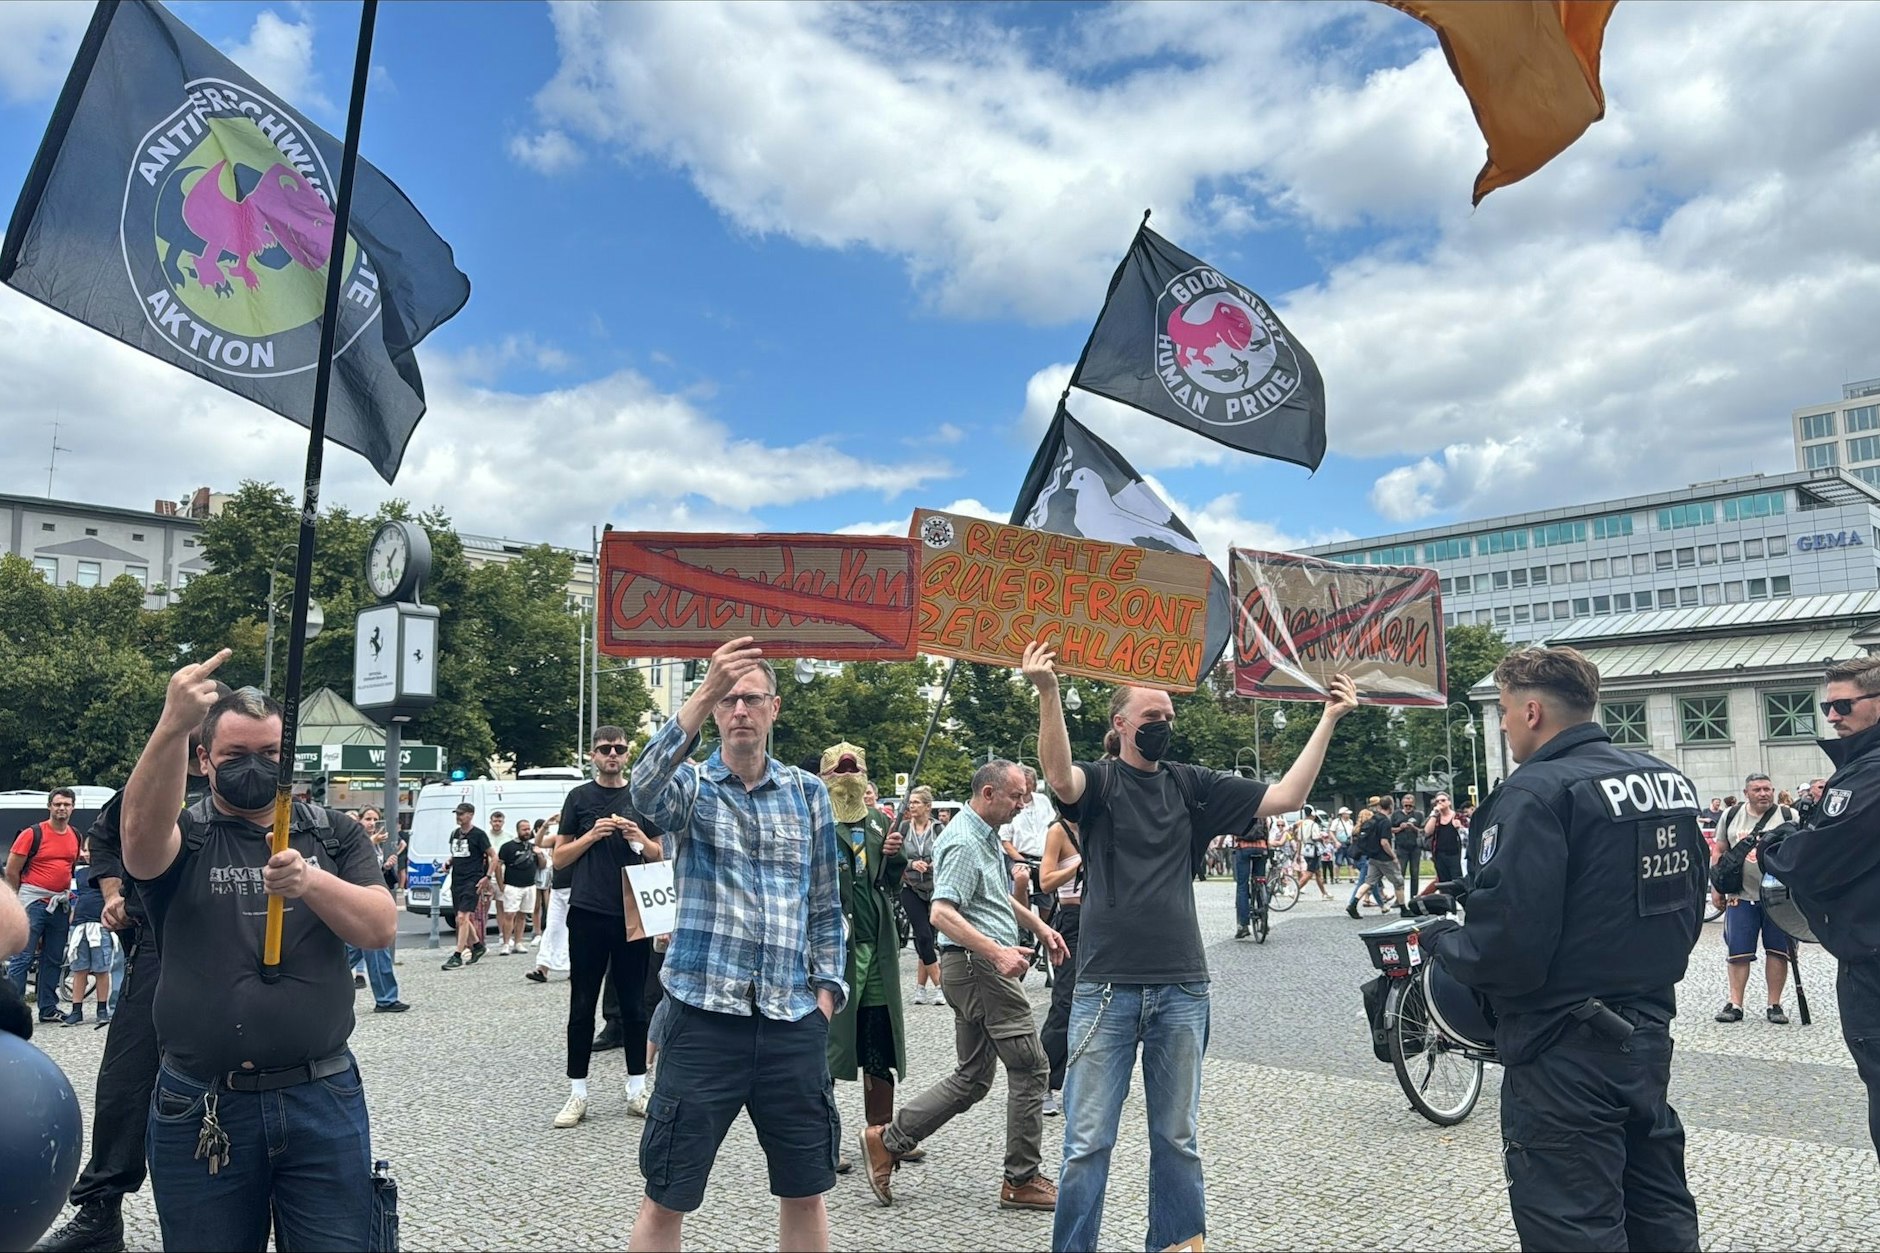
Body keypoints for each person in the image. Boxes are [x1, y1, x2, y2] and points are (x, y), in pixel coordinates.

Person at [1024, 642, 1357, 1253]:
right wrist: (1048, 692)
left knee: (1177, 1138)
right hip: (1105, 988)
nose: (1164, 728)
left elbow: (1285, 797)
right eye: (1152, 719)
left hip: (1182, 986)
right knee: (1086, 1141)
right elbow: (1058, 775)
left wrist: (1328, 718)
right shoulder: (1098, 785)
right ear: (1120, 725)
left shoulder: (1191, 786)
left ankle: (1177, 1246)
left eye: (1170, 718)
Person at [1427, 647, 1705, 1251]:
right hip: (1648, 1024)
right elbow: (1686, 900)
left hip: (1562, 1041)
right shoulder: (1668, 781)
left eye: (1502, 711)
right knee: (1657, 1204)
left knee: (1570, 1218)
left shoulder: (1536, 792)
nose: (1500, 724)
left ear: (1531, 711)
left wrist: (1446, 943)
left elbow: (1510, 947)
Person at [119, 662, 395, 1251]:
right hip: (203, 1099)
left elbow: (378, 927)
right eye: (236, 752)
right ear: (204, 761)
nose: (255, 765)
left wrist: (310, 883)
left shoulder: (333, 834)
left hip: (323, 1094)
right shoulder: (187, 836)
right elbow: (140, 839)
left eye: (270, 752)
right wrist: (173, 724)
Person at [626, 637, 847, 1252]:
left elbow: (826, 906)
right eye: (728, 699)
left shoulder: (809, 794)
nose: (740, 709)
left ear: (774, 708)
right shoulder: (691, 788)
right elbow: (642, 791)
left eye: (751, 698)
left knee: (805, 1189)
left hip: (790, 1021)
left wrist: (825, 995)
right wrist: (701, 691)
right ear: (716, 712)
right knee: (667, 1192)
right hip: (702, 1021)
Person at [35, 709, 223, 1253]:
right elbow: (105, 835)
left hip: (229, 945)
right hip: (158, 947)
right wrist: (115, 893)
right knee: (125, 1076)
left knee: (238, 1075)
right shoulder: (155, 780)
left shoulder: (238, 795)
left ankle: (240, 1201)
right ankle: (101, 1211)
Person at [858, 760, 1066, 1213]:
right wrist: (998, 952)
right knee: (1031, 1068)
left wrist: (1038, 927)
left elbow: (996, 895)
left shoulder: (984, 834)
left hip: (973, 967)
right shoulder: (964, 840)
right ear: (988, 794)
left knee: (972, 1078)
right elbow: (941, 913)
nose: (1022, 803)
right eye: (1015, 795)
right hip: (979, 969)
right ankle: (1021, 1179)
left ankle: (888, 1141)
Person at [1762, 656, 1880, 1157]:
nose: (1831, 716)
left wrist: (1771, 846)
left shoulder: (1868, 775)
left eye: (1843, 705)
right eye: (1827, 706)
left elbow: (1816, 861)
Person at [552, 727, 664, 1129]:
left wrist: (638, 836)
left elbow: (659, 855)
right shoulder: (578, 798)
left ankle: (637, 1088)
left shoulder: (640, 797)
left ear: (627, 754)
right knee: (581, 1005)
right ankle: (577, 1092)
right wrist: (591, 835)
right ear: (593, 755)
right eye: (605, 749)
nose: (612, 755)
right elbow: (559, 858)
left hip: (632, 912)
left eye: (619, 749)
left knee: (635, 1006)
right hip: (587, 910)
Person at [818, 742, 912, 1175]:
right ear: (825, 777)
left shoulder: (877, 821)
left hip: (877, 951)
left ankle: (884, 1139)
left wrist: (895, 857)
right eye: (840, 770)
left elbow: (888, 882)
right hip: (834, 952)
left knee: (878, 1043)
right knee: (828, 1051)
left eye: (854, 770)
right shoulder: (815, 821)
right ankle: (824, 1143)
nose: (848, 777)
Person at [1709, 774, 1797, 1025]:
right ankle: (1735, 1003)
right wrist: (1716, 887)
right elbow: (1720, 851)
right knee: (1738, 952)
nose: (1763, 793)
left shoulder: (1789, 816)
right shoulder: (1731, 815)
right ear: (1746, 792)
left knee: (1778, 952)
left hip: (1780, 898)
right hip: (1740, 895)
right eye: (1757, 789)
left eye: (1768, 789)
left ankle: (1774, 1004)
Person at [7, 788, 81, 1024]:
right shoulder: (33, 834)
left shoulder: (75, 836)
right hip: (33, 901)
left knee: (54, 957)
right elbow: (12, 869)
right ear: (49, 806)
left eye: (67, 804)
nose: (62, 808)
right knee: (22, 956)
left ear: (73, 807)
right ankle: (14, 1009)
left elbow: (70, 869)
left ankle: (48, 1007)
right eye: (58, 804)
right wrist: (16, 901)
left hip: (59, 902)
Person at [1037, 815, 1084, 1118]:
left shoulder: (1100, 823)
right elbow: (1045, 880)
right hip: (1073, 919)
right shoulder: (1059, 830)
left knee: (1104, 1002)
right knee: (1065, 1002)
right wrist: (1078, 865)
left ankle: (1087, 1082)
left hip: (1106, 920)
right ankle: (1041, 1081)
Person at [896, 788, 946, 1008]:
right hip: (910, 886)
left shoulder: (938, 829)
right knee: (923, 935)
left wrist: (935, 864)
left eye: (916, 802)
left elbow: (946, 852)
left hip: (934, 887)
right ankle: (940, 986)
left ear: (928, 806)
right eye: (910, 803)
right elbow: (895, 855)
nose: (912, 806)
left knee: (928, 939)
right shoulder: (904, 828)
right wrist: (910, 863)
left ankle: (920, 988)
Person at [62, 843, 112, 1027]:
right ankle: (76, 1010)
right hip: (80, 924)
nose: (89, 853)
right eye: (87, 849)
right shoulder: (80, 873)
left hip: (99, 924)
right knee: (79, 968)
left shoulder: (108, 870)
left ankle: (102, 1008)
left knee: (101, 968)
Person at [442, 803, 495, 970]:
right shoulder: (455, 834)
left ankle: (457, 955)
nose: (459, 817)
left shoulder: (479, 835)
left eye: (462, 814)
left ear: (471, 815)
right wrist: (449, 862)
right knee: (461, 917)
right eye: (457, 814)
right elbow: (456, 854)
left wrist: (487, 877)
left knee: (462, 917)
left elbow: (494, 856)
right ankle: (478, 946)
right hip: (457, 879)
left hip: (473, 879)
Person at [527, 815, 572, 985]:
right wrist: (545, 826)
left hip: (576, 887)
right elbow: (537, 843)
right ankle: (542, 967)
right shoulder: (557, 838)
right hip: (558, 887)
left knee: (574, 930)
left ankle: (574, 966)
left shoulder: (580, 837)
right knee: (552, 927)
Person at [1348, 799, 1402, 918]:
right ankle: (1404, 908)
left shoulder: (1372, 820)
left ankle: (1353, 905)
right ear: (1391, 806)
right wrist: (1393, 856)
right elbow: (1384, 842)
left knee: (1369, 882)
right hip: (1383, 857)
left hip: (1371, 856)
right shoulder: (1385, 821)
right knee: (1398, 882)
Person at [496, 818, 542, 957]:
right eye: (524, 829)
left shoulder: (533, 846)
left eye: (528, 829)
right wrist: (501, 884)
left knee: (522, 915)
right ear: (518, 830)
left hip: (529, 885)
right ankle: (505, 943)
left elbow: (543, 865)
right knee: (509, 914)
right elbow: (498, 865)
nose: (527, 832)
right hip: (512, 885)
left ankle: (518, 942)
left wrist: (539, 853)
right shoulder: (507, 847)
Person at [1230, 818, 1269, 939]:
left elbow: (1233, 831)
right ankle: (1264, 920)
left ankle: (1243, 924)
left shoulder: (1240, 810)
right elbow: (1266, 830)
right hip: (1261, 847)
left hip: (1243, 847)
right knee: (1260, 879)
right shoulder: (1262, 811)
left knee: (1242, 885)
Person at [1424, 792, 1465, 887]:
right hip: (1440, 855)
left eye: (1443, 800)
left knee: (1457, 881)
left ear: (1449, 802)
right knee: (1443, 882)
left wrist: (1460, 827)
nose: (1440, 803)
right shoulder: (1436, 818)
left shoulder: (1457, 816)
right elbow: (1427, 831)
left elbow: (1468, 833)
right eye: (1437, 801)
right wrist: (1434, 814)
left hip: (1455, 854)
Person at [1390, 792, 1425, 898]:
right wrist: (1400, 828)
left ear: (1414, 805)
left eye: (1410, 805)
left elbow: (1423, 830)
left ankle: (1413, 897)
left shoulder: (1419, 815)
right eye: (1406, 805)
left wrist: (1414, 828)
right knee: (1400, 874)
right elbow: (1390, 829)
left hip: (1415, 847)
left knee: (1415, 873)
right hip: (1401, 847)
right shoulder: (1396, 814)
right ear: (1402, 804)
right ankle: (1399, 898)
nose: (1408, 807)